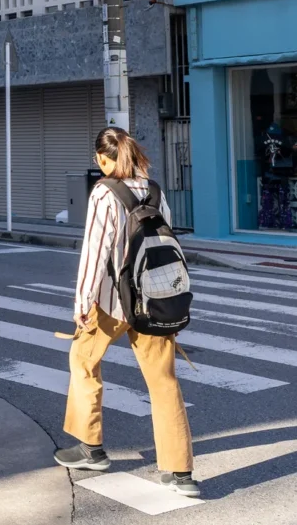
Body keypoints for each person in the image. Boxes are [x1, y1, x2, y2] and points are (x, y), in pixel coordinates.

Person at [55, 127, 198, 497]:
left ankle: (91, 448)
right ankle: (180, 473)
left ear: (104, 158)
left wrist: (82, 303)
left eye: (97, 158)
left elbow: (94, 252)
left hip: (111, 301)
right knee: (164, 381)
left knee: (83, 361)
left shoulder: (105, 192)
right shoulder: (154, 190)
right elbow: (167, 243)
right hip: (152, 299)